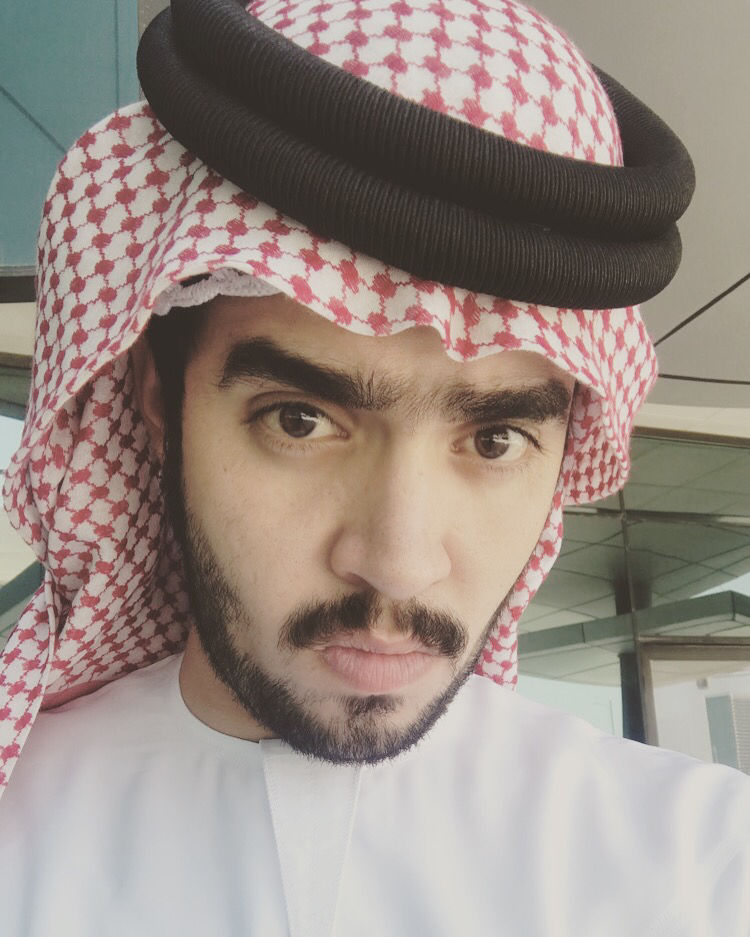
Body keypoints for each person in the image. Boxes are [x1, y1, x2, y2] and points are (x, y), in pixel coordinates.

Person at [1, 0, 748, 933]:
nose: (397, 562)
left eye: (494, 439)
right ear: (159, 400)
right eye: (301, 420)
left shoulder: (701, 863)